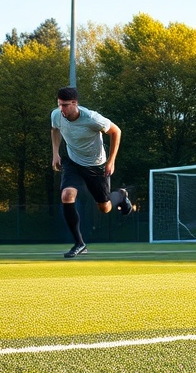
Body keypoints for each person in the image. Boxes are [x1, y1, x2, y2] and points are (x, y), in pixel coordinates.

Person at [51, 86, 136, 258]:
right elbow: (55, 130)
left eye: (65, 105)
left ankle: (120, 195)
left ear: (75, 103)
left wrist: (111, 161)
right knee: (67, 195)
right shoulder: (56, 115)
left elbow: (116, 131)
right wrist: (55, 154)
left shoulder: (92, 118)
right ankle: (79, 243)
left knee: (104, 208)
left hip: (96, 165)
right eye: (60, 105)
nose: (62, 109)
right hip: (73, 162)